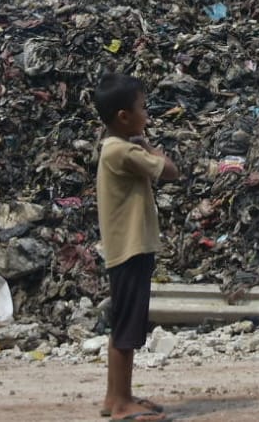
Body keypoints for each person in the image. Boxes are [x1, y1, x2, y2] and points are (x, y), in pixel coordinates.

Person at [93, 73, 180, 422]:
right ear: (123, 118)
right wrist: (150, 147)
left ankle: (116, 397)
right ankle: (122, 404)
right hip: (131, 248)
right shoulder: (124, 151)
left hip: (123, 248)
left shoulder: (111, 147)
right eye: (142, 108)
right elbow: (170, 171)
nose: (148, 114)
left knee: (122, 324)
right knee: (128, 328)